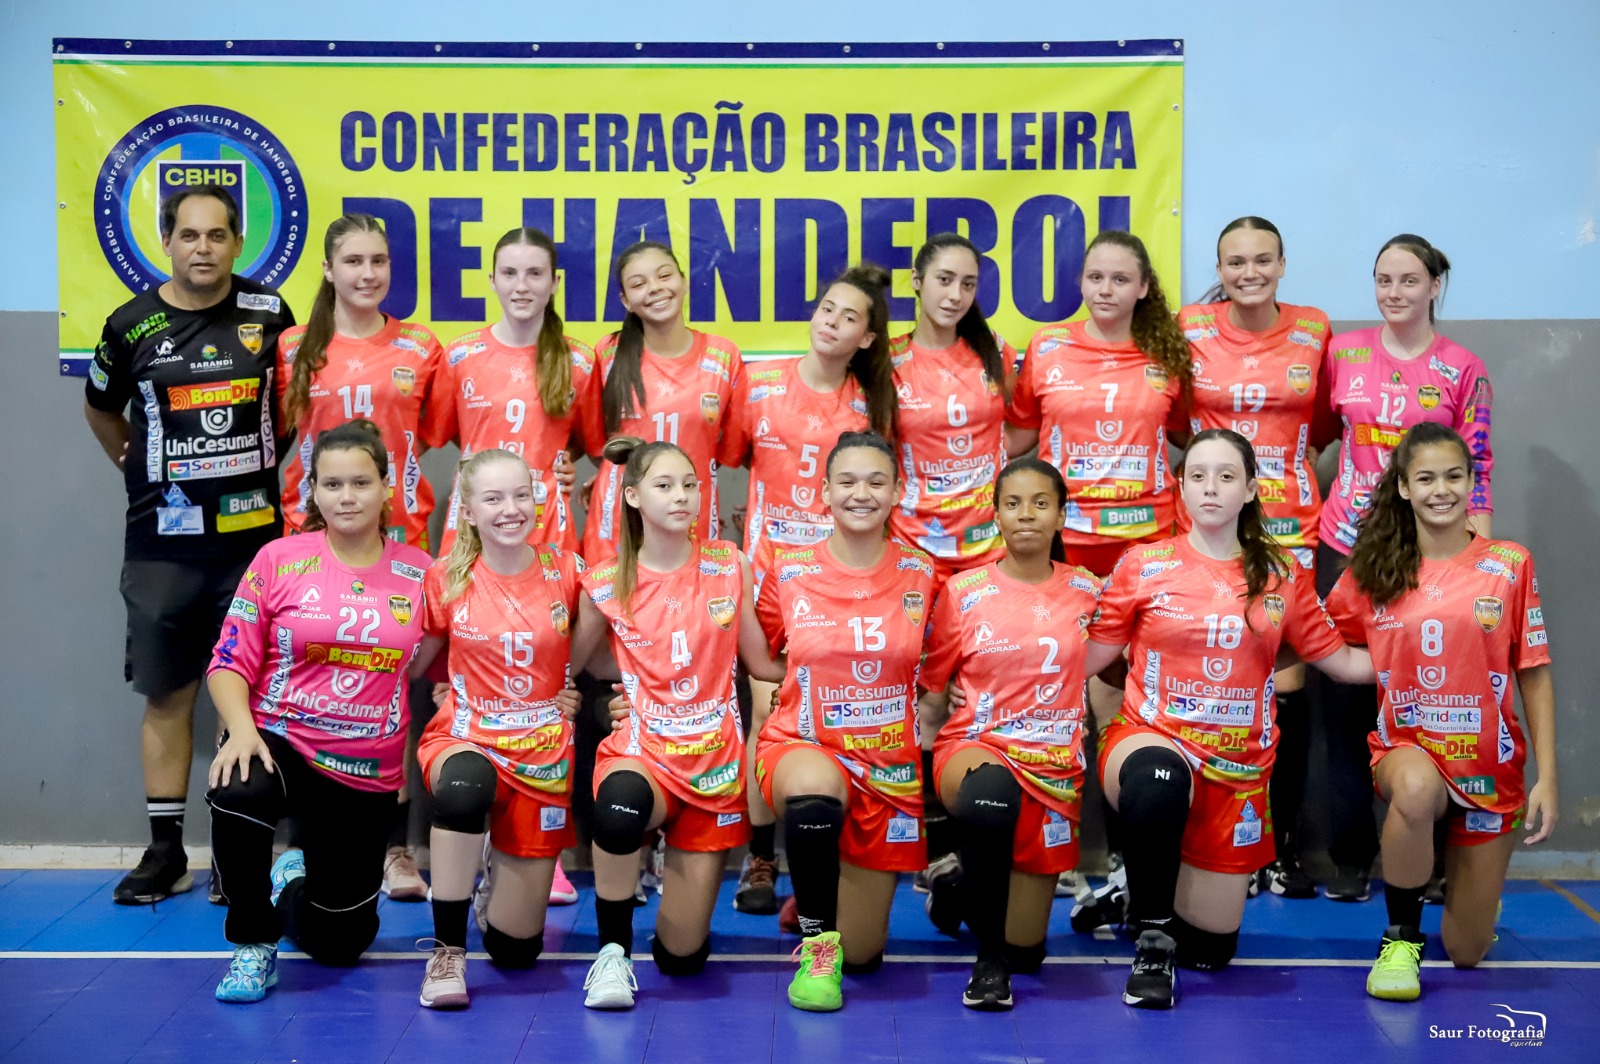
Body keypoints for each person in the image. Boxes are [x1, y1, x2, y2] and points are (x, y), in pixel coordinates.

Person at [1084, 429, 1374, 1008]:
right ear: (1181, 489)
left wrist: (1429, 655)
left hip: (1236, 769)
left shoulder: (1281, 573)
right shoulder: (1143, 564)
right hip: (1151, 738)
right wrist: (990, 665)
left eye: (1225, 476)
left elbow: (1342, 663)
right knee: (1157, 783)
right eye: (1197, 476)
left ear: (1250, 489)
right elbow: (1087, 659)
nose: (1210, 487)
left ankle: (1133, 894)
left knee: (1210, 954)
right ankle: (1151, 941)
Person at [83, 182, 294, 905]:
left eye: (217, 235)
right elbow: (100, 409)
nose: (203, 248)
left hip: (255, 547)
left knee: (253, 698)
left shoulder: (270, 314)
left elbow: (291, 408)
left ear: (237, 242)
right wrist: (136, 465)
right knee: (168, 694)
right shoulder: (128, 325)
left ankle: (241, 854)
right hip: (161, 547)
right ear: (167, 242)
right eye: (189, 235)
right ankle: (166, 853)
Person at [1324, 423, 1556, 1002]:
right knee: (1415, 787)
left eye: (1454, 476)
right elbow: (1324, 639)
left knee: (1466, 951)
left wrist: (1548, 776)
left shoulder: (1509, 563)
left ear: (1472, 482)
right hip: (1408, 751)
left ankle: (1473, 891)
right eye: (1425, 478)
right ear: (1404, 487)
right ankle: (1401, 940)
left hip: (1488, 767)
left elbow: (1532, 669)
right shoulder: (1374, 571)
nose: (1441, 490)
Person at [205, 420, 432, 1002]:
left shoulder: (421, 573)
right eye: (332, 485)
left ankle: (291, 882)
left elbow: (455, 657)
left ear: (387, 487)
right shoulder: (278, 559)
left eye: (360, 482)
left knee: (339, 942)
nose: (346, 497)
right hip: (281, 740)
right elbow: (227, 660)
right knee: (238, 785)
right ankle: (253, 942)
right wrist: (240, 730)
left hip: (365, 769)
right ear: (314, 491)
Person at [1007, 228, 1192, 912]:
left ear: (1143, 288)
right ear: (1081, 283)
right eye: (1095, 277)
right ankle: (1046, 849)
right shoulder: (1047, 346)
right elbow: (1018, 439)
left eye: (1120, 278)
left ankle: (1122, 862)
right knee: (1052, 697)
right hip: (1065, 550)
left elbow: (1188, 439)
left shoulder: (1169, 354)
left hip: (1145, 551)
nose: (1106, 289)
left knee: (1124, 703)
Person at [568, 437, 783, 1010]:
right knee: (618, 807)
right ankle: (612, 955)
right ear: (633, 496)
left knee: (681, 958)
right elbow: (572, 664)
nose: (681, 496)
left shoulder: (728, 564)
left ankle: (672, 909)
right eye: (664, 486)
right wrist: (601, 703)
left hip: (713, 767)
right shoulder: (605, 580)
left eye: (690, 484)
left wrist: (835, 661)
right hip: (644, 751)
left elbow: (761, 662)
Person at [1316, 234, 1495, 902]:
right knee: (1343, 704)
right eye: (1383, 280)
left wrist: (1475, 562)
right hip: (1347, 547)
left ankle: (1433, 860)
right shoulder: (1342, 353)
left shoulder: (1464, 368)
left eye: (1409, 280)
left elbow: (1479, 463)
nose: (1394, 292)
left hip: (1431, 554)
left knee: (1435, 705)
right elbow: (1314, 436)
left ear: (1434, 287)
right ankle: (1349, 858)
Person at [718, 264, 898, 915]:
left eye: (850, 318)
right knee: (767, 710)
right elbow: (728, 456)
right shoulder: (760, 382)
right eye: (827, 309)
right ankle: (761, 858)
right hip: (770, 574)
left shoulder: (871, 403)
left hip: (838, 584)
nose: (833, 323)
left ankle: (821, 870)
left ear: (867, 338)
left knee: (830, 717)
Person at [277, 213, 446, 901]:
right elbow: (276, 436)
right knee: (305, 684)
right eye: (353, 261)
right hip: (310, 540)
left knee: (393, 689)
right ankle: (299, 842)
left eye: (378, 260)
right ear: (328, 269)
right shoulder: (294, 346)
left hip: (400, 541)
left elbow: (435, 435)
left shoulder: (420, 346)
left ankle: (394, 845)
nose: (367, 273)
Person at [754, 431, 938, 1012]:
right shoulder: (789, 570)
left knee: (864, 956)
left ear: (898, 492)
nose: (862, 493)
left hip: (886, 766)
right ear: (825, 492)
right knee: (813, 795)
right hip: (804, 745)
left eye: (876, 482)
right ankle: (816, 948)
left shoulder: (923, 573)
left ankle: (818, 894)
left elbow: (945, 661)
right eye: (848, 481)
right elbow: (760, 657)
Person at [1177, 217, 1333, 898]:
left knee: (1287, 679)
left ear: (1282, 264)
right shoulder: (1190, 327)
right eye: (1235, 262)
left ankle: (1279, 846)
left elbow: (1324, 422)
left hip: (1291, 526)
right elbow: (1175, 419)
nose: (1249, 273)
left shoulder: (1313, 328)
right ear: (1219, 269)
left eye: (1262, 260)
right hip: (1210, 524)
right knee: (1214, 674)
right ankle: (1210, 839)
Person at [917, 457, 1104, 1010]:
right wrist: (950, 691)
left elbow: (1121, 665)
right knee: (991, 800)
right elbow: (931, 681)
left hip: (1052, 764)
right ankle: (987, 965)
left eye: (1040, 504)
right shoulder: (963, 591)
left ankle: (955, 887)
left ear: (1061, 516)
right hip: (976, 747)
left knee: (1029, 951)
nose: (1026, 515)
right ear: (995, 515)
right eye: (1013, 504)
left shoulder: (1090, 591)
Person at [407, 449, 584, 1008]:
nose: (511, 509)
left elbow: (605, 652)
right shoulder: (445, 577)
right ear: (468, 511)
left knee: (515, 950)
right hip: (467, 737)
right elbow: (417, 663)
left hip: (542, 752)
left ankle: (489, 885)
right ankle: (447, 954)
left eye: (521, 495)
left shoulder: (567, 571)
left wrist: (594, 693)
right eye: (493, 498)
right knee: (463, 791)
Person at [889, 233, 1016, 903]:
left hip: (987, 555)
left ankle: (981, 847)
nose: (955, 294)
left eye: (968, 283)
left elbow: (1021, 436)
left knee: (980, 699)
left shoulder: (997, 356)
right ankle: (929, 848)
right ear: (917, 281)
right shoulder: (887, 361)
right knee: (920, 702)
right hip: (913, 552)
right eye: (943, 279)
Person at [427, 228, 596, 558]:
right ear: (492, 280)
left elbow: (590, 441)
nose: (521, 286)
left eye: (535, 273)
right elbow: (452, 430)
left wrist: (560, 457)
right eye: (509, 273)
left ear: (555, 282)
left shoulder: (579, 361)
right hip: (474, 523)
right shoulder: (461, 355)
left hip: (547, 524)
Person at [579, 242, 742, 562]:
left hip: (690, 518)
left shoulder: (723, 355)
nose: (654, 288)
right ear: (625, 300)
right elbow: (597, 444)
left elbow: (725, 449)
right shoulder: (607, 352)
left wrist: (673, 481)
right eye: (638, 284)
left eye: (664, 276)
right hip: (618, 523)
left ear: (684, 281)